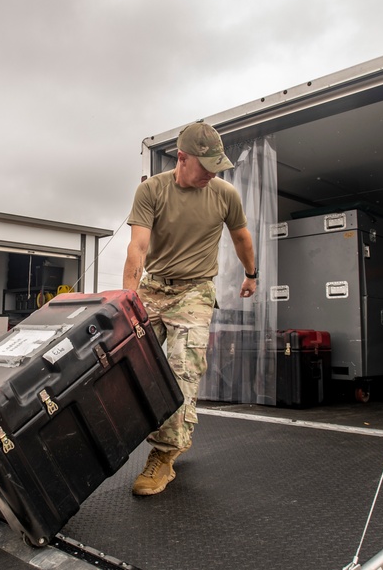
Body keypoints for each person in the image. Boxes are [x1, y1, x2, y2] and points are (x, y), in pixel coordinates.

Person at [122, 121, 257, 496]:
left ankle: (164, 456)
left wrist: (252, 274)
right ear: (182, 158)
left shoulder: (224, 194)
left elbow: (241, 236)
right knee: (123, 359)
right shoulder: (152, 191)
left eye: (218, 165)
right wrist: (128, 301)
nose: (213, 172)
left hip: (195, 292)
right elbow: (138, 248)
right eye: (207, 164)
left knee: (183, 370)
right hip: (153, 288)